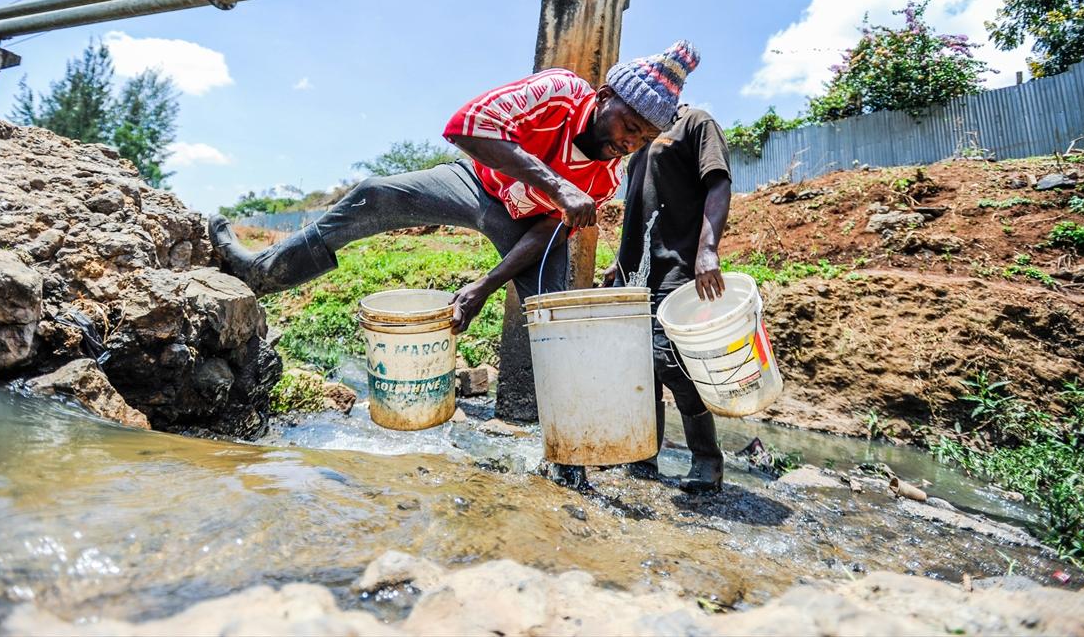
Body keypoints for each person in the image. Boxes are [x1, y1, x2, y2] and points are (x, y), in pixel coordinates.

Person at [207, 41, 701, 339]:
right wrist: (557, 186)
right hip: (474, 183)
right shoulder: (559, 91)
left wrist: (481, 290)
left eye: (642, 138)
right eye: (628, 125)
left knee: (554, 321)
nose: (629, 141)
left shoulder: (607, 178)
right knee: (375, 193)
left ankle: (562, 447)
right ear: (604, 97)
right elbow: (467, 125)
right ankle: (262, 273)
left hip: (523, 223)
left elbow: (543, 235)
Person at [604, 102, 732, 494]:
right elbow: (640, 207)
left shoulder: (695, 123)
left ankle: (707, 460)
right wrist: (618, 263)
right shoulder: (642, 135)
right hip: (637, 272)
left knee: (670, 362)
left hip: (675, 265)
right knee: (640, 367)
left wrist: (707, 250)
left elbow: (719, 183)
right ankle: (643, 456)